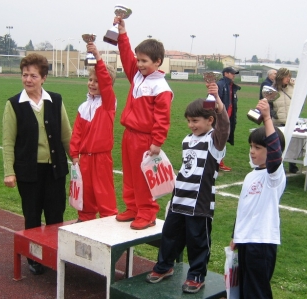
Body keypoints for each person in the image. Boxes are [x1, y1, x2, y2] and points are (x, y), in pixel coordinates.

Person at [145, 83, 230, 294]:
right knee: (169, 235)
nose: (191, 125)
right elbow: (187, 168)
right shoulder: (187, 140)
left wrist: (217, 100)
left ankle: (196, 276)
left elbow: (224, 126)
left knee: (197, 240)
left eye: (196, 121)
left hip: (199, 202)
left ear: (210, 120)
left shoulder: (214, 141)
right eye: (189, 121)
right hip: (179, 197)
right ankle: (164, 267)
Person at [2, 53, 72, 275]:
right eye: (25, 75)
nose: (28, 79)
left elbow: (66, 135)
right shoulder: (13, 104)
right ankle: (34, 257)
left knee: (55, 215)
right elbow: (8, 141)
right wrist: (9, 172)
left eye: (33, 75)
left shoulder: (56, 100)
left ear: (44, 78)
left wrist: (76, 160)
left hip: (55, 171)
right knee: (32, 216)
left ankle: (56, 254)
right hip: (28, 172)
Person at [113, 15, 174, 230]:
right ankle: (132, 208)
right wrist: (122, 32)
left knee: (142, 177)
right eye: (138, 60)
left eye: (144, 61)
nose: (139, 64)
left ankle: (147, 213)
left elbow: (162, 118)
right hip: (129, 134)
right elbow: (126, 55)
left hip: (145, 139)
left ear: (157, 62)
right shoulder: (138, 75)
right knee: (129, 174)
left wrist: (157, 141)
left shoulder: (161, 87)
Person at [229, 98, 286, 299]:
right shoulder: (251, 175)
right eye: (251, 146)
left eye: (258, 147)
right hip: (245, 240)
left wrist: (268, 118)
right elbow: (244, 209)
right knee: (243, 289)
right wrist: (236, 235)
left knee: (257, 292)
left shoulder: (274, 177)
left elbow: (276, 154)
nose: (252, 151)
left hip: (261, 243)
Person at [70, 42, 118, 221]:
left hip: (101, 157)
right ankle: (85, 219)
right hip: (85, 158)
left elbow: (105, 82)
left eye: (97, 81)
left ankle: (109, 220)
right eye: (91, 80)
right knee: (86, 191)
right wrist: (74, 154)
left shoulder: (108, 103)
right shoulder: (84, 106)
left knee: (103, 191)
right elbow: (77, 133)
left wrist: (97, 57)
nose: (92, 84)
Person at [272, 67, 298, 173]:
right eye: (286, 76)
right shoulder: (272, 89)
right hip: (278, 122)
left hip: (291, 122)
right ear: (281, 77)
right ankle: (278, 165)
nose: (288, 79)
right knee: (278, 145)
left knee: (293, 144)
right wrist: (274, 114)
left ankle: (293, 165)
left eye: (290, 76)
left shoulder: (293, 88)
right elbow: (267, 104)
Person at [217, 66, 241, 172]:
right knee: (219, 140)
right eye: (232, 73)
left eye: (234, 73)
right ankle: (218, 162)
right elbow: (210, 101)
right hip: (220, 118)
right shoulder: (220, 84)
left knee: (224, 139)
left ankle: (219, 161)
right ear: (226, 74)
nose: (234, 75)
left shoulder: (232, 86)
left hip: (229, 118)